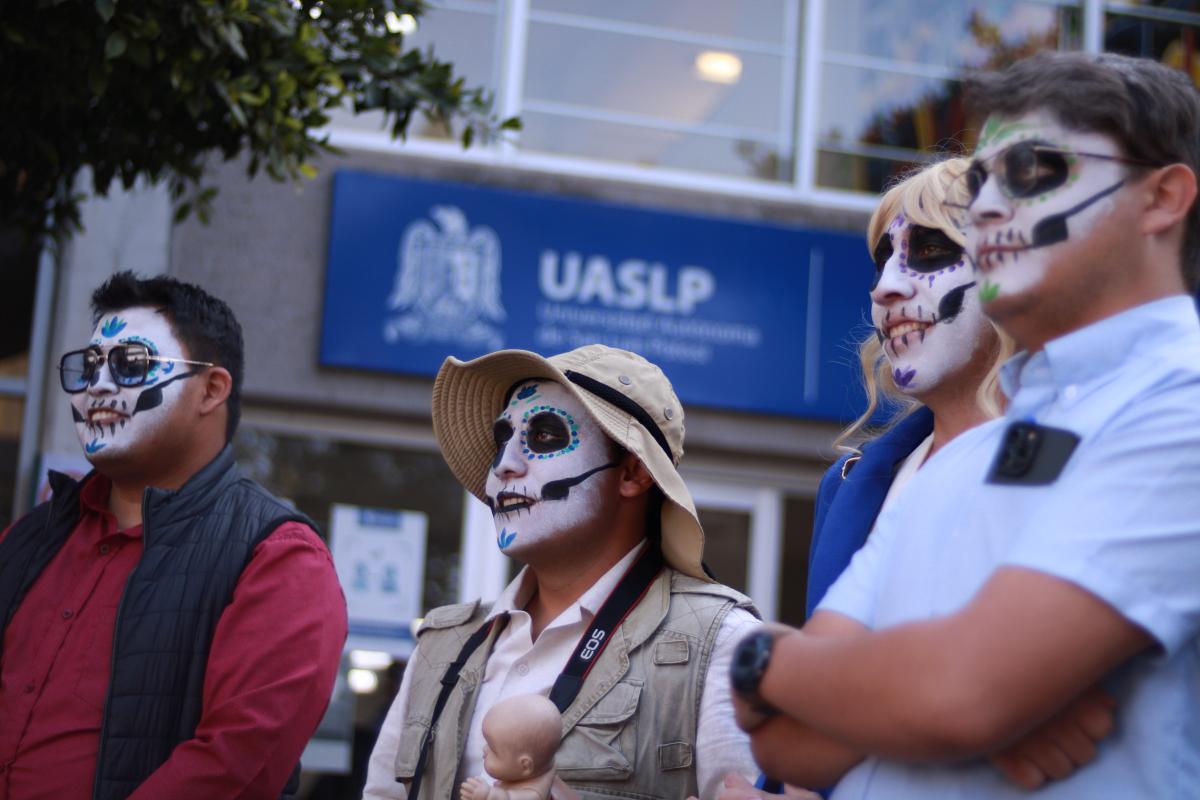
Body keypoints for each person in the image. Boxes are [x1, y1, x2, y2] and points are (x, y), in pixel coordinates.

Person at [728, 50, 1200, 797]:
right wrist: (914, 695)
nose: (985, 208)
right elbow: (793, 747)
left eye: (1032, 170)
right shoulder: (955, 458)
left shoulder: (1183, 408)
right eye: (980, 182)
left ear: (1162, 198)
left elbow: (954, 698)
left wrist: (768, 665)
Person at [0, 272, 347, 799]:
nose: (98, 384)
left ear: (211, 389)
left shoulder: (277, 557)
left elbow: (236, 762)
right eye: (88, 365)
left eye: (130, 364)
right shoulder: (32, 537)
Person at [364, 343, 761, 799]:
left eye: (545, 436)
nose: (504, 464)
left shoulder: (721, 642)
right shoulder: (441, 645)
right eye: (502, 439)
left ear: (632, 473)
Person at [806, 157, 1013, 619]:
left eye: (932, 250)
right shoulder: (845, 486)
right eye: (882, 263)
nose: (886, 288)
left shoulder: (1076, 455)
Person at [459, 694, 574, 800]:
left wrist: (489, 795)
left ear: (525, 765)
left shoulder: (535, 793)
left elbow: (510, 798)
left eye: (493, 750)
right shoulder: (541, 767)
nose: (484, 750)